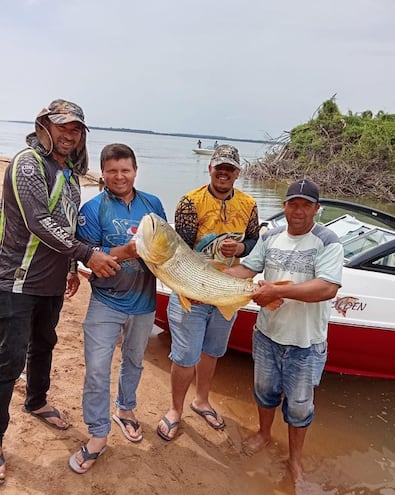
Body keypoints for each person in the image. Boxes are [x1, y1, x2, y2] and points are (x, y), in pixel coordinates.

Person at [0, 99, 121, 484]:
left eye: (76, 129)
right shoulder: (27, 164)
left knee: (45, 344)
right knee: (7, 362)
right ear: (43, 126)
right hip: (17, 281)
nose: (70, 134)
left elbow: (65, 227)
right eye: (63, 126)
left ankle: (35, 401)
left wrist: (71, 267)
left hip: (51, 282)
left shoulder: (68, 173)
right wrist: (88, 255)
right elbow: (39, 221)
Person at [225, 179, 343, 483]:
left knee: (300, 406)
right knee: (265, 392)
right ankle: (264, 434)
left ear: (317, 209)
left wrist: (277, 293)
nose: (299, 211)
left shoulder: (328, 241)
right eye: (293, 204)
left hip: (306, 342)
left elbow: (327, 288)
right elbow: (247, 270)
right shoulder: (271, 236)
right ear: (284, 206)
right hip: (267, 334)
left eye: (306, 205)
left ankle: (294, 460)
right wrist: (213, 279)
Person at [69, 143, 166, 474]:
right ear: (103, 173)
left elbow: (166, 248)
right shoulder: (92, 209)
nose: (119, 176)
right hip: (106, 302)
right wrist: (125, 251)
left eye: (125, 170)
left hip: (144, 302)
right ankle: (98, 434)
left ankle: (125, 409)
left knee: (134, 362)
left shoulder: (153, 205)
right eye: (112, 171)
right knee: (97, 369)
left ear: (136, 170)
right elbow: (90, 253)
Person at [157, 144, 260, 441]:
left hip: (226, 292)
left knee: (213, 351)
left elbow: (256, 244)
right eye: (219, 168)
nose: (224, 173)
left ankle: (201, 400)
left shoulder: (249, 204)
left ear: (238, 172)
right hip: (194, 291)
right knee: (185, 356)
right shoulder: (191, 202)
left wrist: (240, 248)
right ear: (210, 169)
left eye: (230, 168)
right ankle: (175, 410)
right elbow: (182, 251)